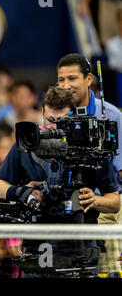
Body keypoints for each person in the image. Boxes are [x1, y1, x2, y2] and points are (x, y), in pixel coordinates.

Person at [0, 86, 120, 275]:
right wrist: (23, 192)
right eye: (49, 120)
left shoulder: (93, 148)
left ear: (74, 118)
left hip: (84, 241)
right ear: (41, 114)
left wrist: (96, 200)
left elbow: (114, 202)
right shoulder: (26, 145)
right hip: (38, 242)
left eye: (61, 122)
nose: (53, 128)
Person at [57, 53, 122, 274]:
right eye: (61, 80)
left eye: (72, 78)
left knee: (108, 267)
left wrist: (100, 198)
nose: (66, 85)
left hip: (106, 205)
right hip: (64, 205)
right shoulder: (55, 117)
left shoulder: (112, 116)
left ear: (88, 79)